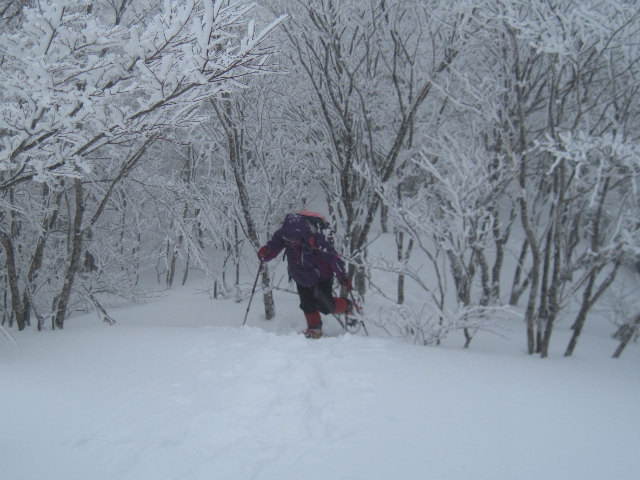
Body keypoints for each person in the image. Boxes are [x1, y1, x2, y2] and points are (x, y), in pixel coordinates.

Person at [257, 211, 353, 339]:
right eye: (288, 240)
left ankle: (347, 306)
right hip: (300, 276)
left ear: (301, 234)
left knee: (326, 306)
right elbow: (274, 246)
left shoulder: (317, 239)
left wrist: (343, 275)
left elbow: (333, 258)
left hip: (321, 277)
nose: (291, 243)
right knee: (307, 304)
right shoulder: (283, 235)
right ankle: (314, 329)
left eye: (294, 240)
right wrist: (266, 253)